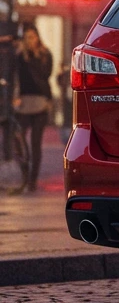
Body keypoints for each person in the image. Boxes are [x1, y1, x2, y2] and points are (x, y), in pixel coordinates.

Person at [15, 24, 53, 192]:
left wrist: (35, 57)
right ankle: (25, 169)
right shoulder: (20, 56)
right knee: (18, 137)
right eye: (27, 37)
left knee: (36, 142)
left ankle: (32, 179)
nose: (30, 40)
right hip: (23, 102)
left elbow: (46, 75)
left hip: (40, 101)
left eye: (33, 36)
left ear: (37, 37)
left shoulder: (45, 55)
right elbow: (14, 75)